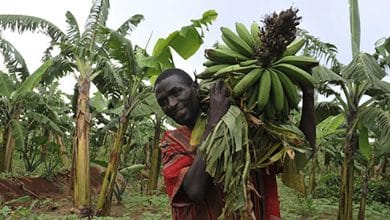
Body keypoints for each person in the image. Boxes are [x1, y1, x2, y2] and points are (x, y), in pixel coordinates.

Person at [154, 68, 315, 220]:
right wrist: (212, 124)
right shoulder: (173, 142)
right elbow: (195, 191)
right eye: (163, 102)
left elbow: (301, 152)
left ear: (195, 87)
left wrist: (308, 93)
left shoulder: (247, 126)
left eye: (176, 92)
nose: (171, 103)